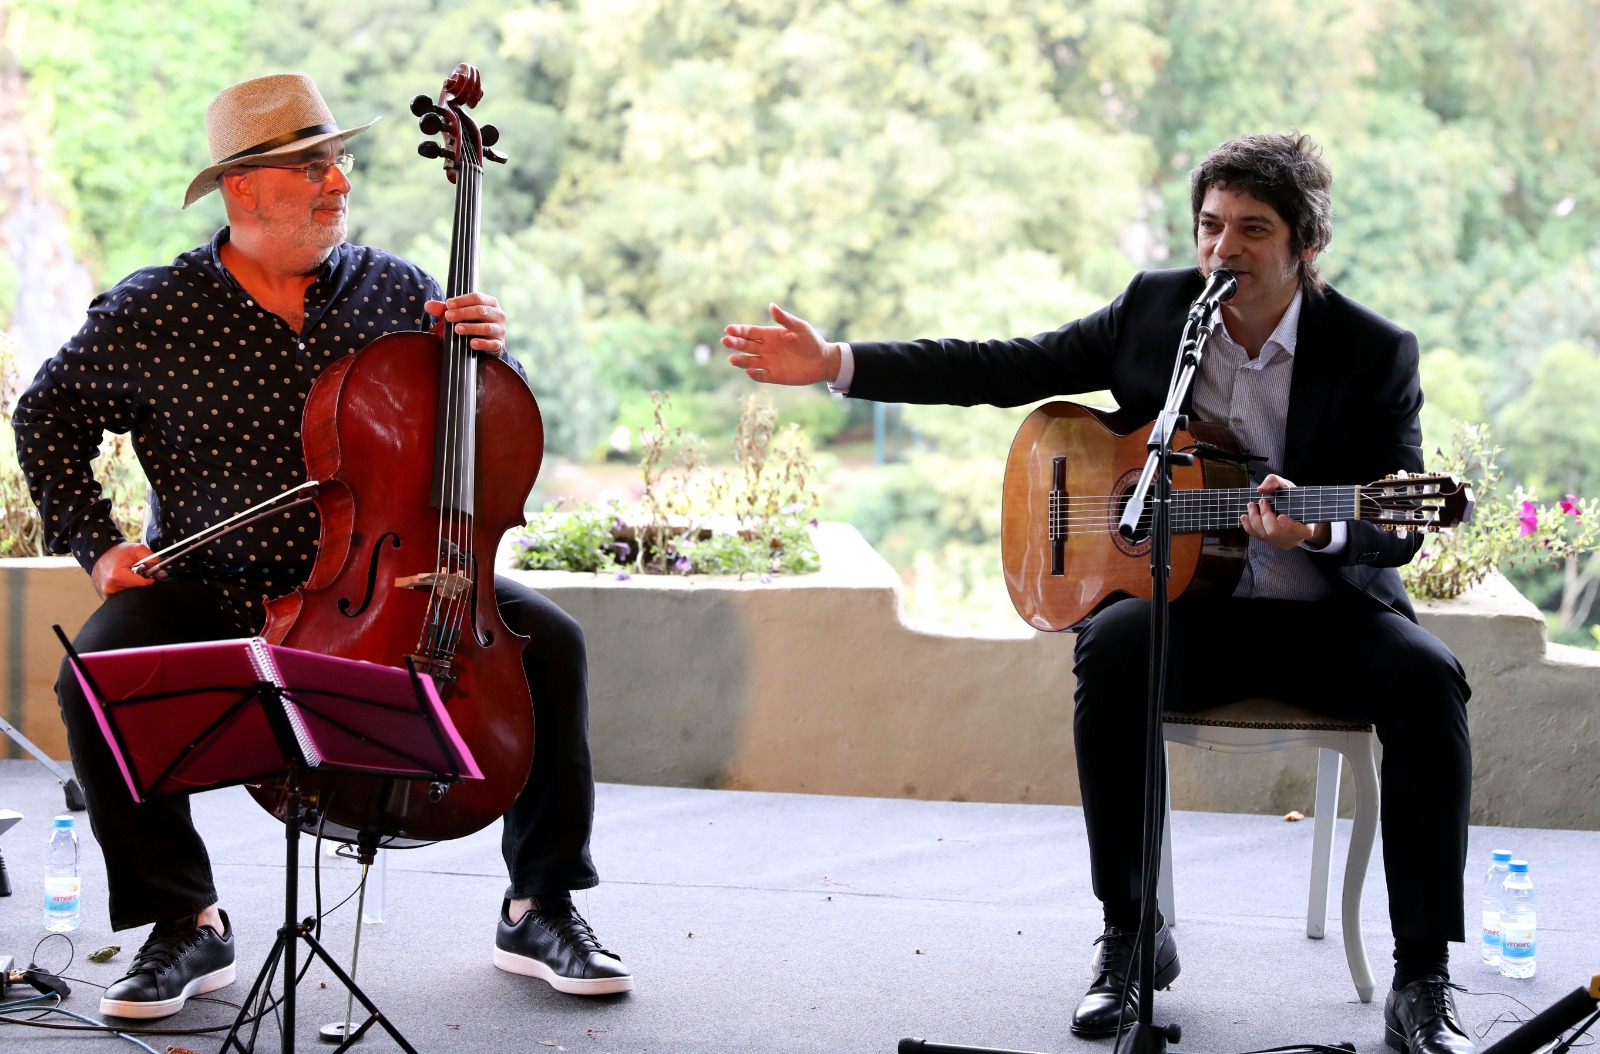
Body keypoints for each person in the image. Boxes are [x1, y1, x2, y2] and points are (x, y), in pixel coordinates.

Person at [722, 133, 1474, 1054]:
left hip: (1322, 618)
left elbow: (1398, 517)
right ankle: (1129, 937)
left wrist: (1317, 527)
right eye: (1209, 226)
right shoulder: (1160, 312)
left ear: (1305, 245)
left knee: (1431, 680)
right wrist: (838, 362)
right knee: (1111, 648)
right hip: (1186, 611)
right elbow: (1004, 366)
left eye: (1252, 230)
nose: (1222, 250)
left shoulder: (1372, 351)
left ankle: (1423, 981)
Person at [13, 73, 633, 1020]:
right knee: (95, 675)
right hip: (215, 579)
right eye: (312, 165)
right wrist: (95, 546)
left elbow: (481, 434)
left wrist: (491, 358)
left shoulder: (401, 289)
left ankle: (539, 902)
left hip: (391, 578)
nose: (338, 180)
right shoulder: (153, 311)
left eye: (339, 158)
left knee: (552, 644)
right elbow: (45, 417)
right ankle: (185, 920)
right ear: (244, 188)